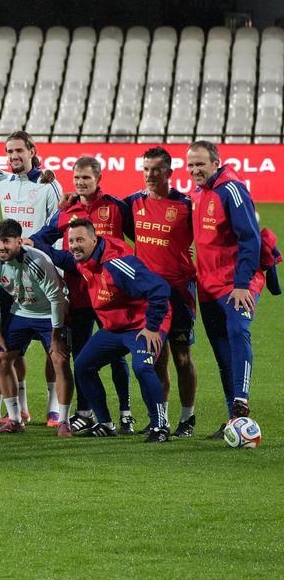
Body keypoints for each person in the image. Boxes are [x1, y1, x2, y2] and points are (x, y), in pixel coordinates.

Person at [36, 220, 173, 442]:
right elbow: (63, 258)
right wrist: (34, 243)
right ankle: (106, 423)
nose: (74, 246)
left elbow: (159, 289)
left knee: (142, 367)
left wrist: (152, 327)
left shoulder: (116, 264)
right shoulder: (85, 260)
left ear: (94, 240)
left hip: (142, 324)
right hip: (115, 327)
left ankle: (161, 426)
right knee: (82, 365)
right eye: (71, 241)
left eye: (80, 240)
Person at [31, 155, 136, 433]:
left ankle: (125, 413)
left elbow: (140, 239)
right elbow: (42, 237)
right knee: (80, 355)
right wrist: (61, 257)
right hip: (79, 294)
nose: (80, 183)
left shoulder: (115, 208)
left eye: (86, 178)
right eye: (77, 178)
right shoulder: (67, 210)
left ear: (98, 179)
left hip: (112, 296)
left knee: (116, 354)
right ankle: (84, 411)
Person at [187, 140, 264, 436]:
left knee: (237, 331)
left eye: (200, 164)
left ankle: (241, 400)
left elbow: (250, 239)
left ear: (215, 163)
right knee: (221, 352)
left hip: (234, 285)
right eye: (191, 165)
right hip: (206, 285)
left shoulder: (231, 190)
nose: (195, 170)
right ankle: (235, 418)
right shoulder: (198, 193)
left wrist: (243, 284)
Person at [126, 147, 199, 437]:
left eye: (156, 169)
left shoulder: (185, 205)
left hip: (179, 292)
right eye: (146, 169)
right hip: (146, 295)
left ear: (169, 172)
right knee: (156, 357)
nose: (150, 175)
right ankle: (162, 419)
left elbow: (209, 234)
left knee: (182, 358)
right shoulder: (133, 203)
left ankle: (187, 418)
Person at [0, 131, 63, 425]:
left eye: (19, 151)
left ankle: (53, 407)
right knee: (14, 346)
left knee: (53, 348)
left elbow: (58, 227)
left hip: (44, 273)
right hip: (11, 277)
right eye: (9, 152)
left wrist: (55, 271)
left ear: (32, 151)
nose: (14, 157)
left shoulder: (49, 185)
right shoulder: (3, 184)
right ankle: (21, 405)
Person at [0, 219, 71, 436]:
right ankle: (14, 419)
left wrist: (56, 337)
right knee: (1, 357)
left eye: (6, 241)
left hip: (49, 313)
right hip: (22, 312)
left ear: (19, 241)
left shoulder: (38, 261)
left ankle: (63, 420)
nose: (0, 247)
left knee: (59, 360)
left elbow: (57, 299)